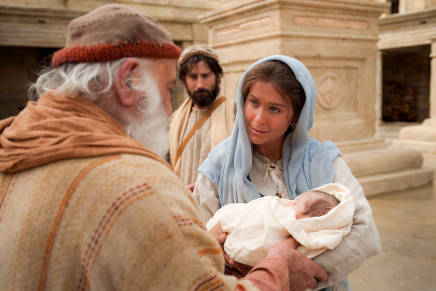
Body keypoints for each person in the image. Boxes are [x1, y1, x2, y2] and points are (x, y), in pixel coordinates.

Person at [0, 5, 328, 290]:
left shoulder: (14, 143)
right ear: (128, 81)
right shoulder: (138, 185)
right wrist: (279, 269)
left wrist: (182, 238)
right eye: (167, 88)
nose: (170, 109)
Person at [193, 56, 382, 290]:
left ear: (295, 117)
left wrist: (296, 271)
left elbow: (365, 233)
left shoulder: (322, 161)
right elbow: (199, 244)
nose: (259, 118)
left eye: (274, 108)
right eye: (253, 102)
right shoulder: (218, 165)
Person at [207, 183, 354, 267]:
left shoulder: (303, 232)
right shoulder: (218, 160)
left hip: (248, 263)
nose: (289, 204)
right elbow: (259, 209)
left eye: (296, 204)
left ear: (311, 221)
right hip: (224, 249)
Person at [169, 45, 235, 186]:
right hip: (185, 201)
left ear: (217, 76)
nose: (200, 84)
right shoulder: (175, 120)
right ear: (184, 80)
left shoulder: (234, 114)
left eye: (205, 76)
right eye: (193, 77)